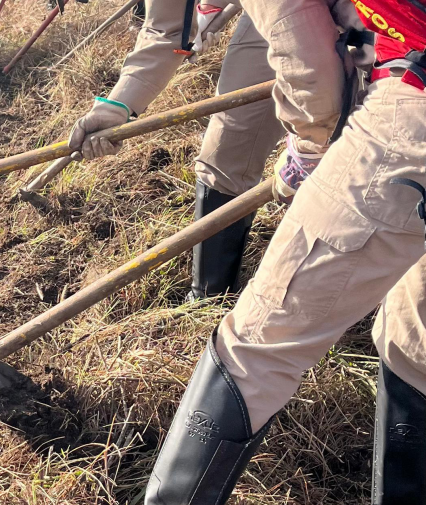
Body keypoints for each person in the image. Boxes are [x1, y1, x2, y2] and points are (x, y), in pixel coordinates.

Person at [117, 0, 426, 505]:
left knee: (261, 341)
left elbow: (310, 68)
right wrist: (115, 104)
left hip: (414, 116)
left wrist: (309, 149)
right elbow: (169, 27)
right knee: (414, 330)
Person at [68, 0, 286, 300]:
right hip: (272, 11)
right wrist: (119, 105)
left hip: (364, 19)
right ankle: (209, 297)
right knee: (228, 147)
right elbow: (164, 27)